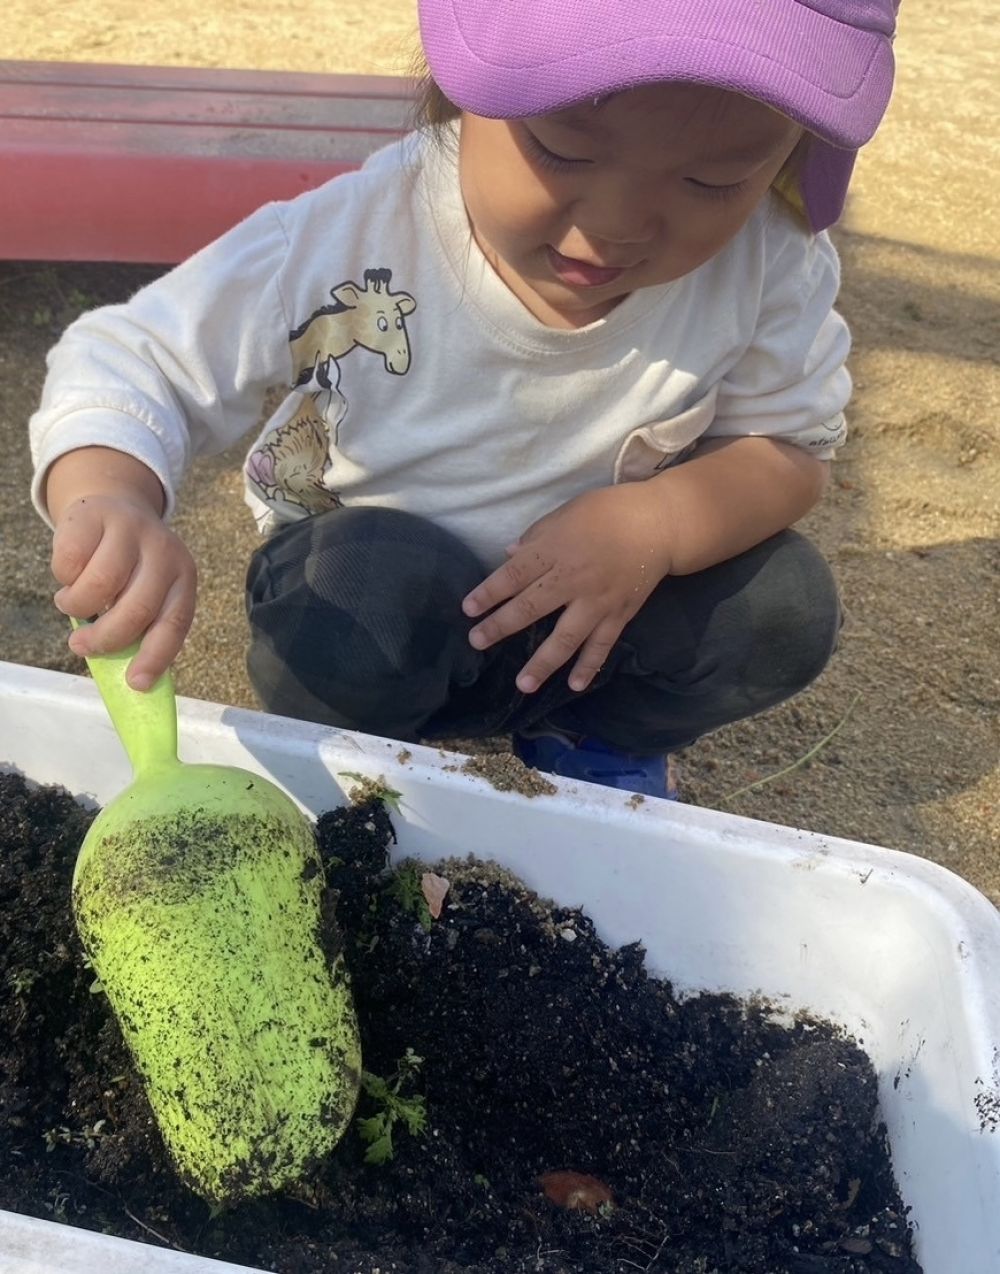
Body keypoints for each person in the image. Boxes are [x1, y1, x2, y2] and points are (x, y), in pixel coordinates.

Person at [29, 0, 900, 800]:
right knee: (357, 590)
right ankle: (379, 770)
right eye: (565, 150)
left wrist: (656, 524)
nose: (621, 223)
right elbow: (131, 355)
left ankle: (591, 740)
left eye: (714, 182)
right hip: (384, 605)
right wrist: (111, 493)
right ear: (459, 90)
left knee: (780, 606)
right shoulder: (354, 235)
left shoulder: (767, 257)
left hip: (594, 617)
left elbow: (787, 448)